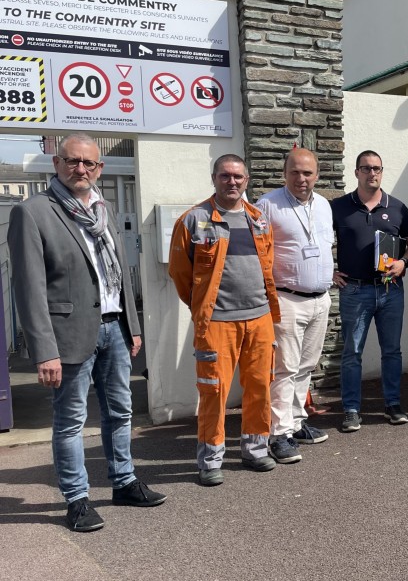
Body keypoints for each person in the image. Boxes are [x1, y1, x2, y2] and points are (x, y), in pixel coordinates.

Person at [8, 133, 166, 532]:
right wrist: (44, 350)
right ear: (56, 163)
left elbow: (120, 272)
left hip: (114, 327)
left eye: (89, 163)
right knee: (71, 421)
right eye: (72, 161)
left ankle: (124, 482)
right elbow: (28, 287)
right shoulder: (32, 212)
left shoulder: (103, 207)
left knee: (120, 411)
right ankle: (77, 500)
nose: (81, 169)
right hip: (68, 335)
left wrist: (132, 326)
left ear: (100, 168)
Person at [168, 154, 281, 485]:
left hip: (259, 318)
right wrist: (203, 307)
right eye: (225, 176)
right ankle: (210, 460)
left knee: (259, 387)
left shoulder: (258, 219)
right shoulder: (194, 220)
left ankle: (255, 450)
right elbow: (180, 274)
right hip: (217, 323)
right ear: (214, 178)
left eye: (238, 176)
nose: (232, 182)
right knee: (213, 391)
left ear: (247, 180)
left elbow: (268, 264)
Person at [332, 150, 408, 432]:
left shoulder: (398, 208)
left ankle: (393, 404)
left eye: (377, 168)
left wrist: (404, 263)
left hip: (390, 290)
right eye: (366, 168)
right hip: (355, 291)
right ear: (356, 172)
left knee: (392, 351)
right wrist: (329, 271)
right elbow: (318, 240)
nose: (372, 173)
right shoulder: (338, 207)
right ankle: (351, 410)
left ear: (382, 172)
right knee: (352, 352)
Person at [255, 148, 333, 463]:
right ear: (284, 173)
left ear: (317, 175)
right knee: (284, 369)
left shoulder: (324, 205)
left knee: (306, 366)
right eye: (295, 172)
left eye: (308, 173)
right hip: (286, 299)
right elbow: (257, 251)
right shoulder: (267, 205)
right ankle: (278, 434)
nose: (301, 178)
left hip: (320, 300)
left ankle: (297, 422)